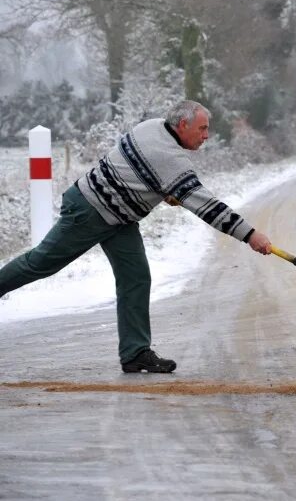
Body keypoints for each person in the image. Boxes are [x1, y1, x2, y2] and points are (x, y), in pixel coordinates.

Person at [0, 100, 272, 373]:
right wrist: (250, 235)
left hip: (119, 219)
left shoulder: (151, 127)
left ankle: (135, 352)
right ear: (183, 125)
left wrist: (163, 191)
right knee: (41, 263)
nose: (206, 136)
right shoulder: (171, 160)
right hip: (90, 211)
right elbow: (208, 207)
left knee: (136, 277)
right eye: (202, 129)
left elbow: (134, 168)